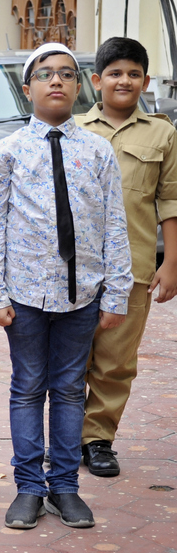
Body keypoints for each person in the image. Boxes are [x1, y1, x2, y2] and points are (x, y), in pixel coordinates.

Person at [0, 42, 132, 530]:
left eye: (67, 73)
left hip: (82, 294)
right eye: (46, 74)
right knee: (27, 389)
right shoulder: (7, 152)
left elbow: (113, 224)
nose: (58, 81)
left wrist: (116, 293)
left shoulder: (97, 150)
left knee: (68, 390)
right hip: (24, 296)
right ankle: (28, 488)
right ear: (28, 89)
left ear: (79, 84)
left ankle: (65, 487)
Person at [77, 37, 177, 477]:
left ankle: (98, 439)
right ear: (97, 81)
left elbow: (170, 201)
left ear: (146, 81)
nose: (124, 80)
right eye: (115, 73)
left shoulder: (162, 133)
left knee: (116, 362)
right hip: (73, 269)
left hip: (133, 269)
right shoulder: (74, 129)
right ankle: (63, 439)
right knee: (68, 359)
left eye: (133, 73)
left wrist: (170, 263)